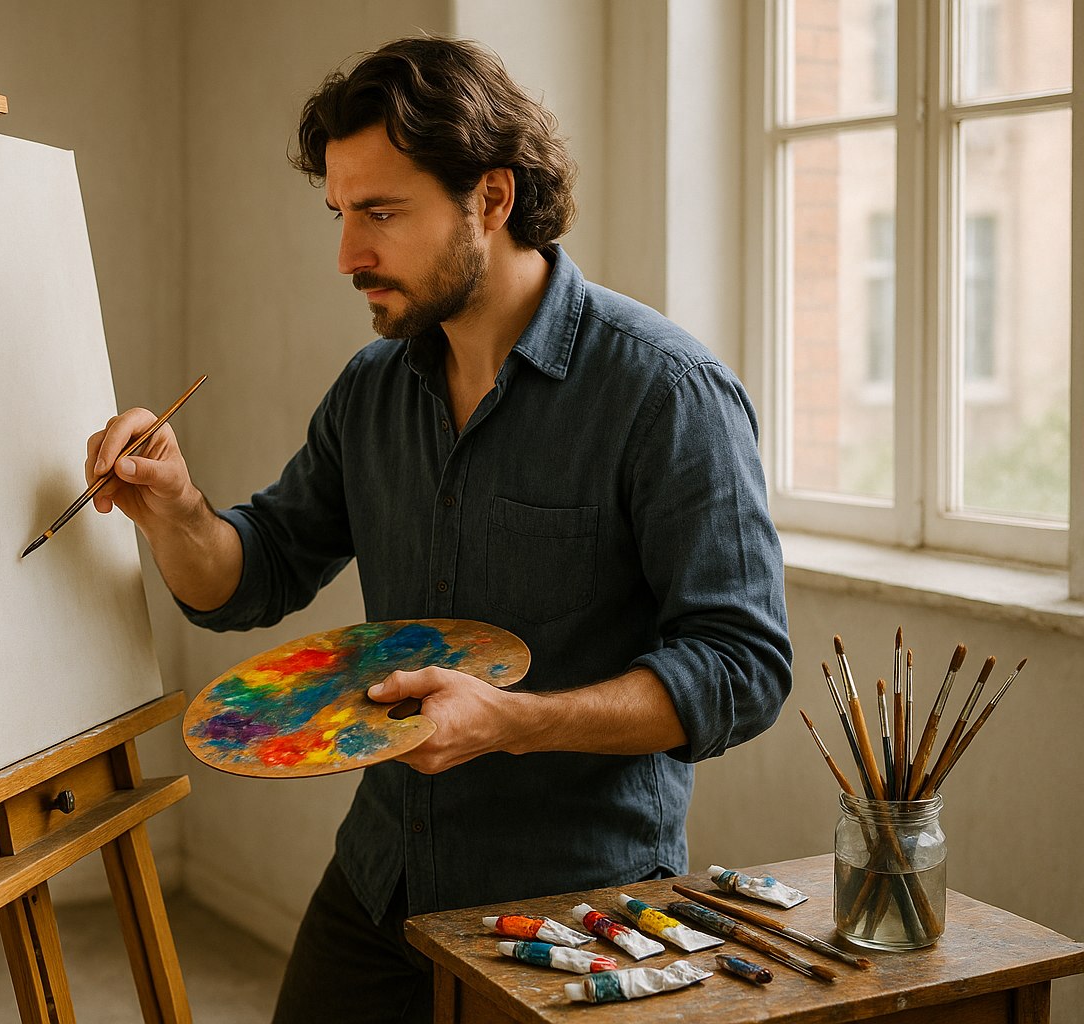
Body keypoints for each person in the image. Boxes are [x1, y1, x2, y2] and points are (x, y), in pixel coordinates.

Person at [85, 36, 791, 1024]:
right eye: (341, 214)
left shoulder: (664, 391)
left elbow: (744, 666)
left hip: (572, 906)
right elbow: (245, 579)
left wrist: (513, 722)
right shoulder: (371, 391)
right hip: (385, 876)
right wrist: (175, 506)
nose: (348, 256)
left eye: (381, 213)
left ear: (492, 199)